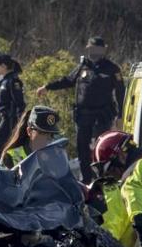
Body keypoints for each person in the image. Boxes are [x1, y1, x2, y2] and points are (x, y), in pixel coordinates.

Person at [37, 36, 124, 182]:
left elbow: (121, 92)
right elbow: (67, 80)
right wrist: (47, 87)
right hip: (83, 116)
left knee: (102, 149)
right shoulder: (83, 66)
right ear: (88, 49)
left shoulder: (112, 68)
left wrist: (121, 115)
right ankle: (87, 181)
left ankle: (103, 179)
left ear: (104, 50)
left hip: (102, 116)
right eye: (92, 49)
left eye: (98, 49)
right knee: (83, 150)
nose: (94, 52)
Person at [88, 131, 142, 247]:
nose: (112, 178)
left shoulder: (120, 189)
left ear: (121, 155)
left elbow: (106, 239)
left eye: (110, 171)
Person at [0, 54, 26, 163]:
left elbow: (19, 103)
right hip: (3, 119)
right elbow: (4, 104)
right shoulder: (6, 81)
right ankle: (14, 171)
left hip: (10, 120)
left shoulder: (13, 81)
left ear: (3, 66)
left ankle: (17, 173)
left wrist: (19, 123)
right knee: (4, 149)